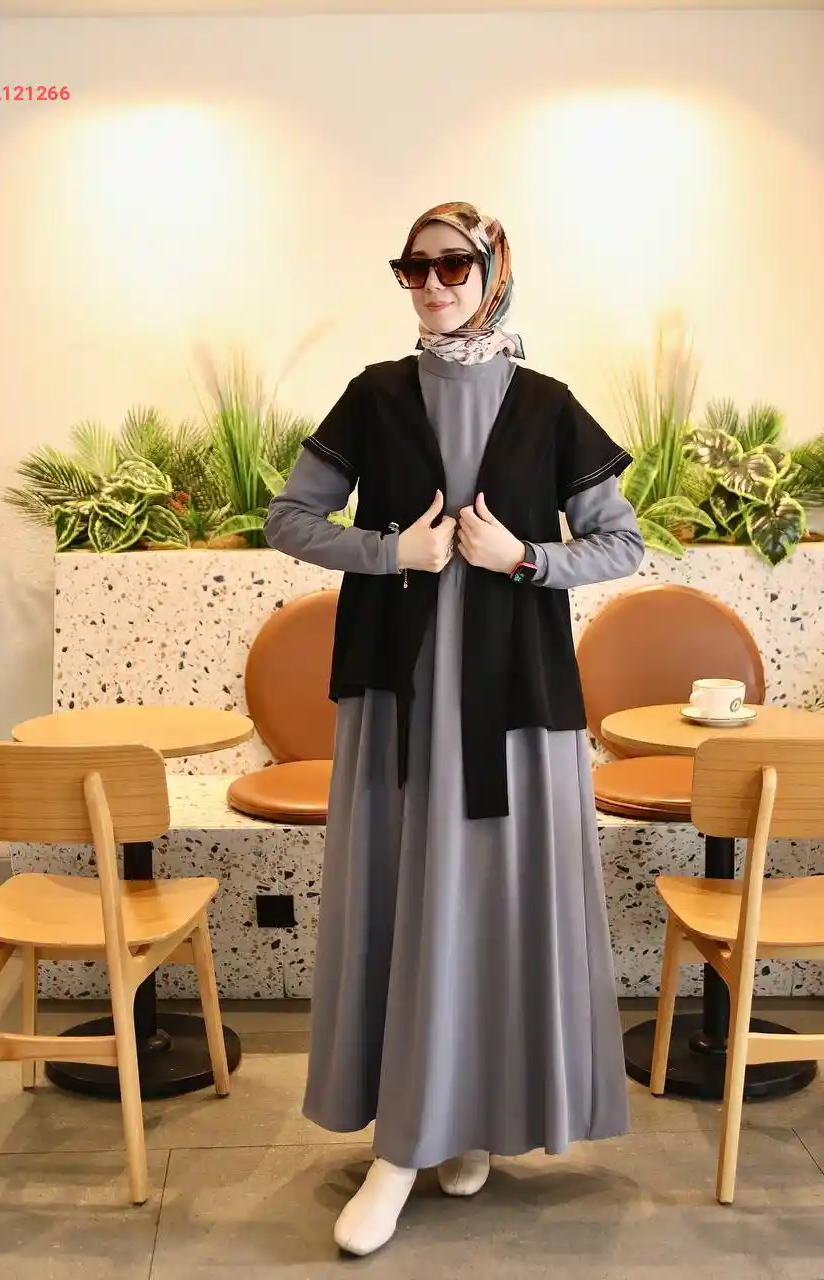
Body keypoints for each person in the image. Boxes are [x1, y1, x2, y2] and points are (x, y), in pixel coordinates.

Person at [264, 200, 645, 1257]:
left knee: (489, 907)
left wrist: (523, 558)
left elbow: (620, 543)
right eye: (413, 267)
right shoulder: (375, 395)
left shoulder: (547, 404)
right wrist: (392, 553)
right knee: (413, 900)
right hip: (401, 704)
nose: (431, 284)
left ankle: (467, 1121)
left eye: (452, 265)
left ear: (492, 272)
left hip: (517, 707)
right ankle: (404, 1141)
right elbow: (288, 517)